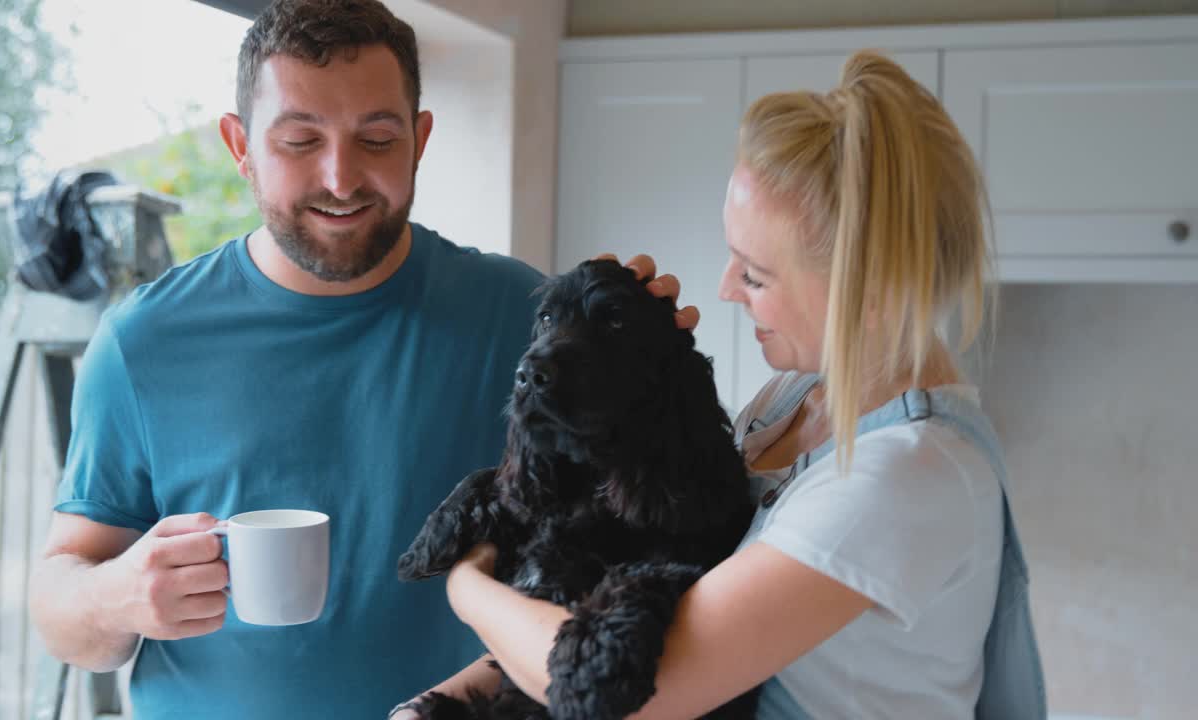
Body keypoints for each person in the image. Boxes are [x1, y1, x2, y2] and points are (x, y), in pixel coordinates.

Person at [25, 1, 694, 717]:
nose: (341, 179)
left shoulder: (524, 317)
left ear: (420, 139)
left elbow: (647, 518)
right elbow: (62, 599)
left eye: (376, 139)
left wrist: (650, 362)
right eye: (299, 141)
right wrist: (113, 596)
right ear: (240, 146)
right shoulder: (142, 341)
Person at [393, 50, 1046, 719]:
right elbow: (609, 597)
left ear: (870, 293)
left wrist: (466, 586)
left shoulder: (904, 475)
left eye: (755, 274)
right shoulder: (793, 400)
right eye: (732, 257)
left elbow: (640, 691)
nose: (725, 290)